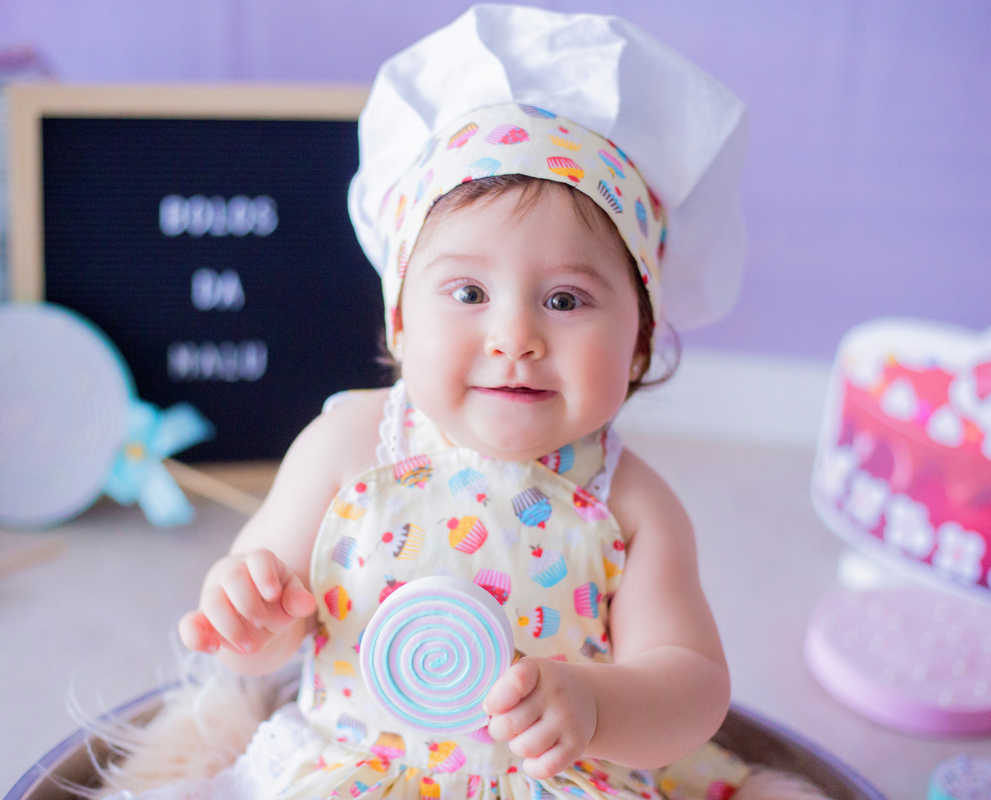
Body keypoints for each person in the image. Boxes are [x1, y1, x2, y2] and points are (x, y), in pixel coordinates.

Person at [97, 6, 818, 800]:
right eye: (469, 291)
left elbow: (691, 692)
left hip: (557, 781)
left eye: (568, 299)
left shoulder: (634, 506)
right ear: (401, 321)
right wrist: (247, 615)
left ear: (640, 343)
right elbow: (266, 625)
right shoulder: (348, 445)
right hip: (363, 771)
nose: (515, 336)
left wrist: (596, 705)